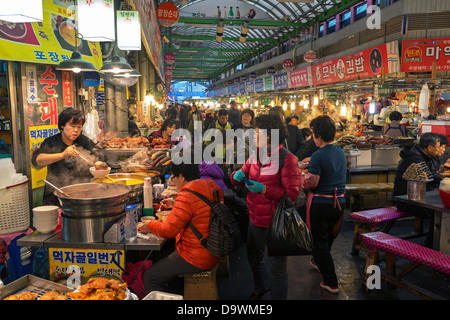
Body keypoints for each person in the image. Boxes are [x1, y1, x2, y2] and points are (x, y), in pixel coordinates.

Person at [230, 114, 302, 300]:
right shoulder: (256, 155)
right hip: (254, 218)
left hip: (274, 223)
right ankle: (262, 287)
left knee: (276, 268)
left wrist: (265, 190)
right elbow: (241, 175)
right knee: (253, 258)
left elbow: (290, 196)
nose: (254, 135)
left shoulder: (288, 159)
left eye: (256, 132)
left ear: (268, 135)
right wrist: (235, 176)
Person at [139, 161, 223, 295]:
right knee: (166, 254)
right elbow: (198, 210)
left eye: (173, 177)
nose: (172, 181)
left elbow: (168, 230)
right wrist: (175, 204)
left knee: (150, 277)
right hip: (215, 248)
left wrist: (150, 225)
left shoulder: (187, 195)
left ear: (182, 177)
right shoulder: (209, 186)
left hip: (198, 256)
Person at [301, 115, 346, 294]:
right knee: (328, 236)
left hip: (321, 203)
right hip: (340, 202)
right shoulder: (340, 151)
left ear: (317, 136)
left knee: (319, 240)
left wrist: (301, 176)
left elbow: (312, 182)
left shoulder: (318, 155)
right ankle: (318, 260)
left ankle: (331, 281)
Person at [31, 107, 98, 205]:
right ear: (62, 125)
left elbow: (95, 156)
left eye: (79, 127)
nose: (76, 130)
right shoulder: (52, 141)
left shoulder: (83, 140)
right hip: (56, 193)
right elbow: (38, 160)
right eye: (72, 126)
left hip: (82, 192)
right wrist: (63, 154)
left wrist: (98, 164)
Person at [394, 132, 446, 247]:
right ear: (430, 147)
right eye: (438, 147)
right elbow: (430, 178)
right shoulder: (415, 159)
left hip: (420, 197)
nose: (439, 150)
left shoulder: (426, 156)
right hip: (406, 200)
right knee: (439, 215)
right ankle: (430, 246)